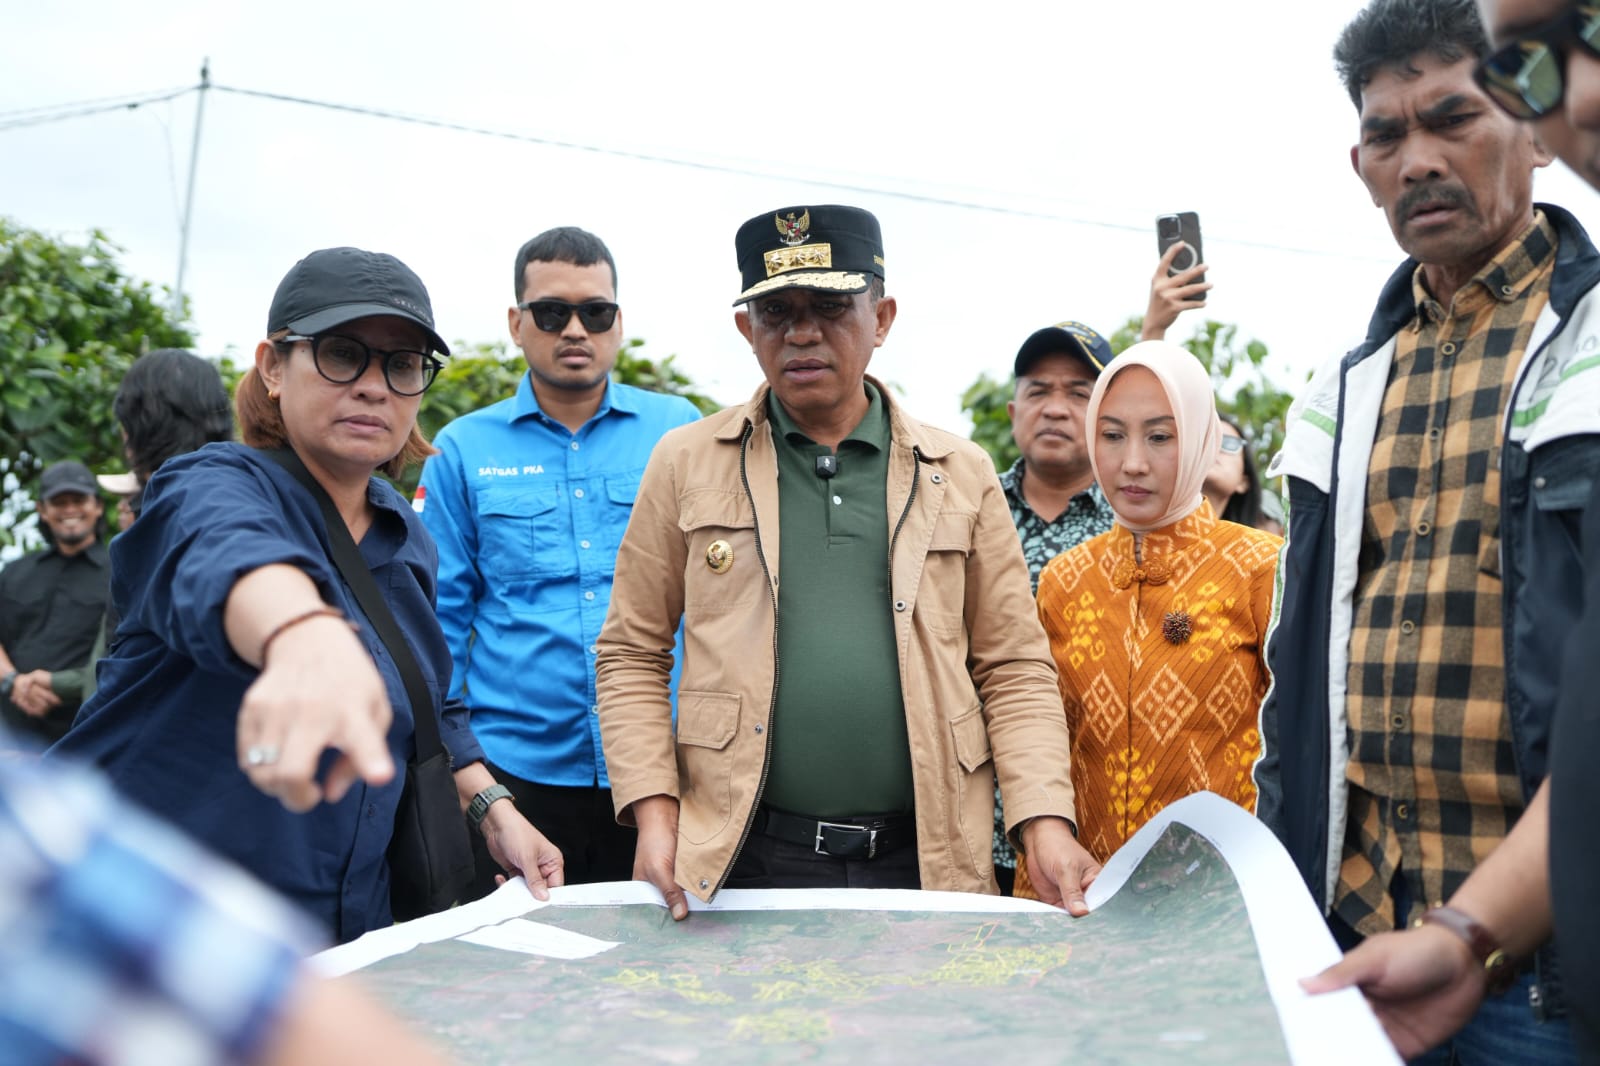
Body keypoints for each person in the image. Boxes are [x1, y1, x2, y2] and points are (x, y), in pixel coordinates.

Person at [1254, 0, 1598, 1058]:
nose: (1416, 161)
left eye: (1454, 117)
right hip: (1359, 944)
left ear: (1537, 128)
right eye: (1387, 134)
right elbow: (1298, 688)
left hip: (1544, 977)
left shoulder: (1589, 346)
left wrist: (1480, 924)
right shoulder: (1341, 391)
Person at [596, 204, 1100, 921]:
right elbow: (631, 653)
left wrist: (1044, 822)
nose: (801, 331)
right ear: (748, 330)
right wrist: (653, 811)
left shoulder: (958, 470)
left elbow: (1013, 664)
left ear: (883, 317)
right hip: (744, 856)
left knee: (921, 1033)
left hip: (929, 856)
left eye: (830, 305)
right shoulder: (685, 463)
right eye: (775, 312)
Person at [51, 246, 564, 943]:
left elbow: (431, 700)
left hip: (341, 934)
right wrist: (302, 634)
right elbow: (227, 551)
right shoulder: (208, 483)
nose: (373, 386)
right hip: (148, 932)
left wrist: (496, 812)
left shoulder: (406, 534)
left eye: (402, 364)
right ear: (271, 366)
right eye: (341, 353)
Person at [419, 227, 700, 893]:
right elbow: (440, 622)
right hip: (519, 782)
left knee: (671, 977)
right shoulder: (462, 447)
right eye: (552, 313)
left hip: (667, 772)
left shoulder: (679, 431)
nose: (575, 329)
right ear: (517, 324)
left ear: (618, 323)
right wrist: (472, 781)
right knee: (519, 979)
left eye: (594, 312)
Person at [1009, 342, 1280, 896]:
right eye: (1111, 435)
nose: (1132, 462)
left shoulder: (1261, 566)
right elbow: (1038, 734)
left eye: (1160, 436)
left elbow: (1295, 748)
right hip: (1078, 891)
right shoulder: (1063, 580)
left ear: (1203, 438)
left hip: (1220, 895)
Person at [1, 731, 447, 1066]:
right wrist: (296, 629)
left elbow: (434, 701)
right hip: (244, 891)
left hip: (355, 911)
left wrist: (488, 800)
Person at [991, 320, 1117, 894]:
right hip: (977, 825)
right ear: (1014, 410)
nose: (1056, 408)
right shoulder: (966, 508)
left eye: (1078, 393)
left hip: (1108, 819)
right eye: (1039, 390)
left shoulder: (1139, 522)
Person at [0, 460, 110, 749]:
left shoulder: (120, 572)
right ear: (42, 510)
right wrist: (13, 682)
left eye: (78, 500)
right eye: (59, 502)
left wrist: (57, 684)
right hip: (9, 737)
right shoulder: (14, 571)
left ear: (97, 506)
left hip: (82, 737)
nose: (69, 509)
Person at [1203, 415, 1267, 530]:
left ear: (1243, 482)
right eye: (1204, 439)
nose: (1214, 447)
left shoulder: (1263, 547)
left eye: (1228, 443)